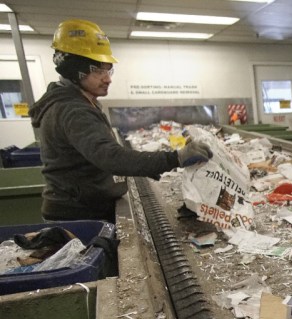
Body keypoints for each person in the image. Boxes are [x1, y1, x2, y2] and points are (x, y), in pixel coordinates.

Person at [29, 19, 213, 223]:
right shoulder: (73, 110)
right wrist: (175, 158)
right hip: (76, 214)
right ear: (75, 69)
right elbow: (111, 157)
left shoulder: (74, 102)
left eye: (108, 70)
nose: (107, 79)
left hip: (79, 204)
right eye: (98, 70)